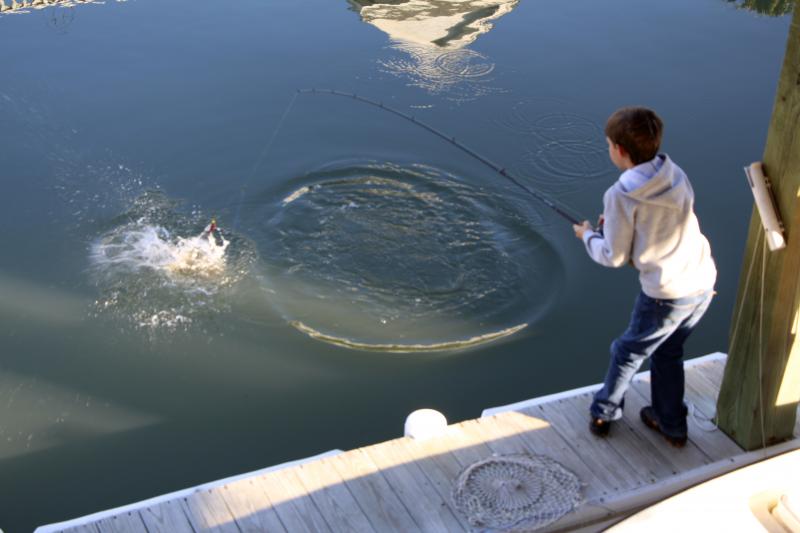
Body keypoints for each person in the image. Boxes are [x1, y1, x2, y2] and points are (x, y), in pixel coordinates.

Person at [573, 107, 717, 447]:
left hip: (667, 294)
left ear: (619, 150)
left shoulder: (620, 194)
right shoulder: (674, 173)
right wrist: (612, 226)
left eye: (608, 145)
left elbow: (613, 256)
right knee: (668, 352)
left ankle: (604, 412)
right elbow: (662, 224)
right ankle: (671, 423)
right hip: (701, 281)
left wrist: (588, 235)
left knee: (626, 352)